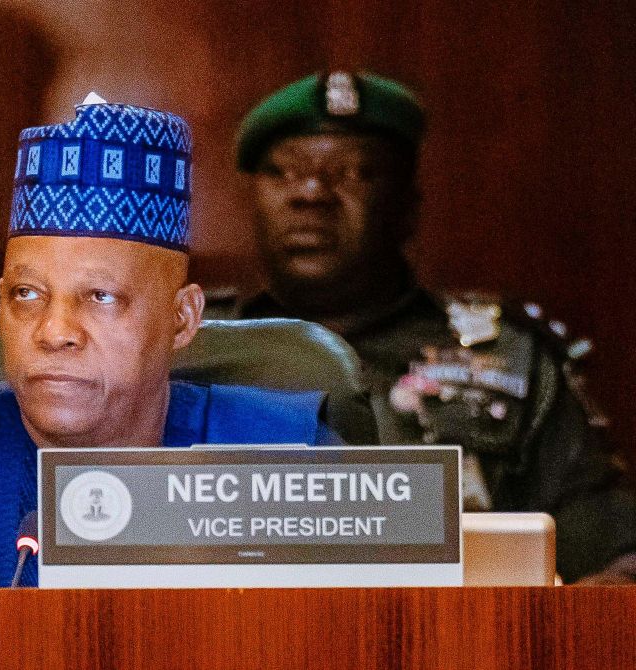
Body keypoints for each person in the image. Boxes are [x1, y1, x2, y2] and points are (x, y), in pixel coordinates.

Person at [0, 99, 343, 588]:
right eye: (26, 294)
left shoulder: (287, 457)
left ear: (182, 318)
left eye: (100, 297)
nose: (54, 332)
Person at [219, 71, 636, 583]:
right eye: (283, 172)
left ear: (408, 209)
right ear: (252, 202)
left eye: (352, 173)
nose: (311, 194)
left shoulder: (508, 359)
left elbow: (612, 560)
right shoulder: (194, 355)